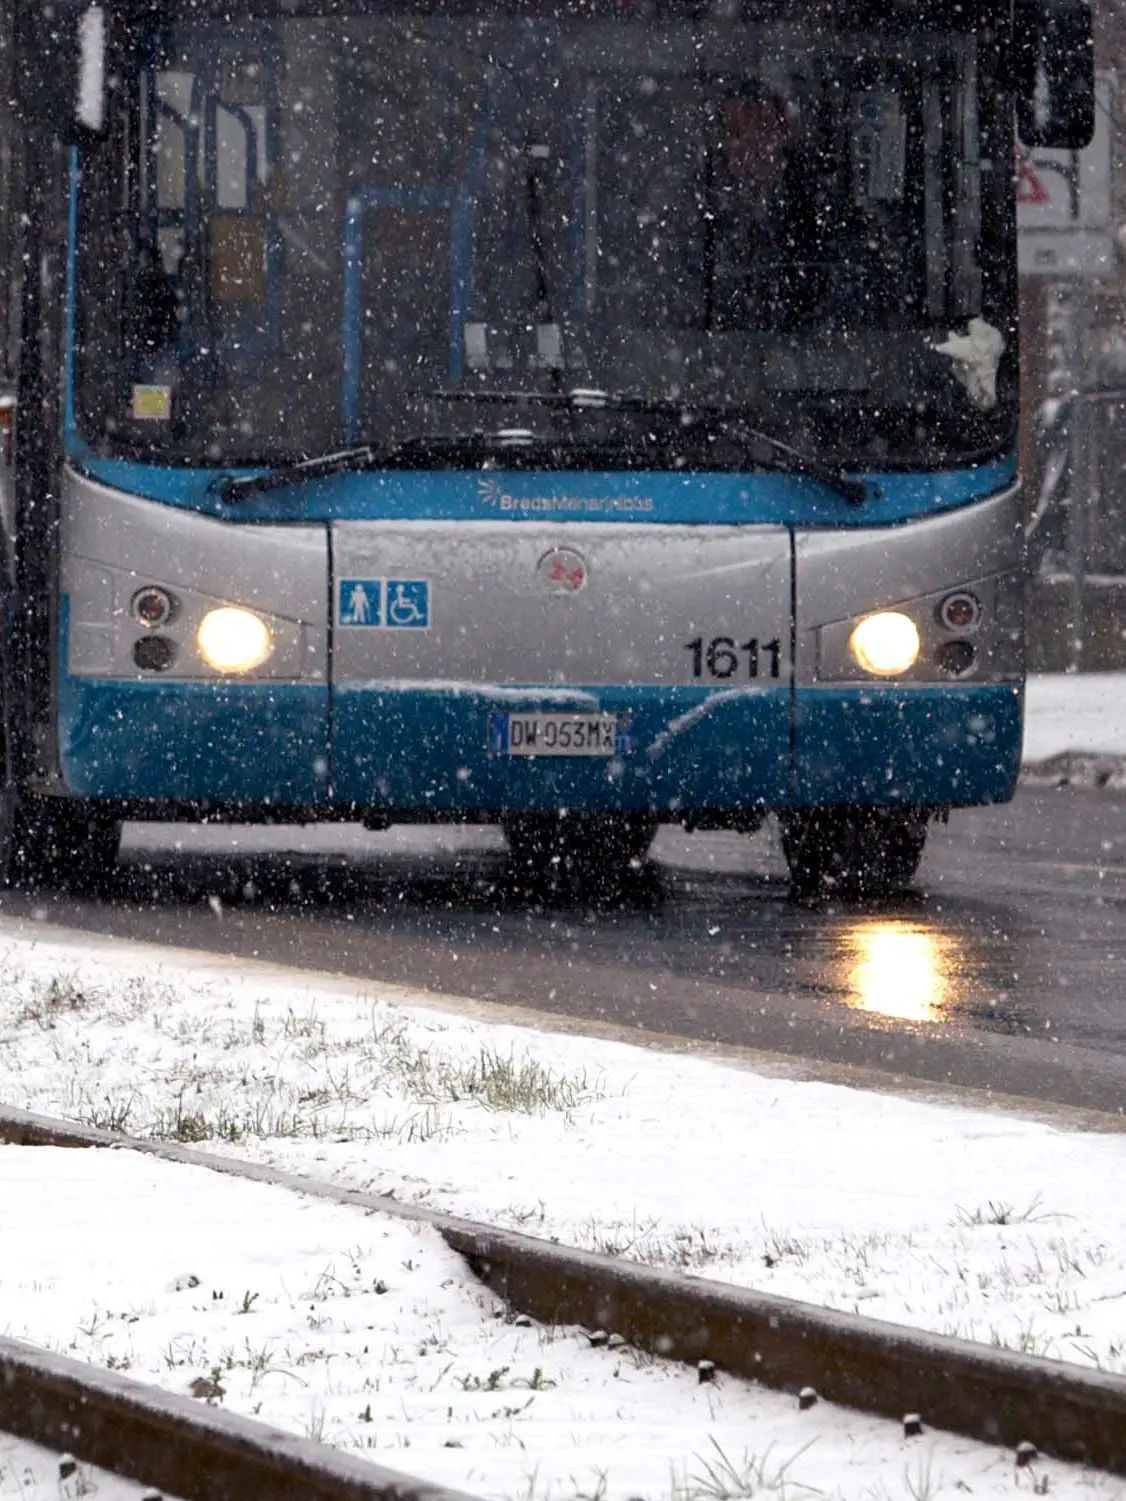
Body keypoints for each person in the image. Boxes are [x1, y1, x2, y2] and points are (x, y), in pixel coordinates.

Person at [708, 89, 825, 328]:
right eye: (737, 133)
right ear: (723, 144)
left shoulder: (819, 206)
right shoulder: (701, 212)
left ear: (783, 134)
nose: (750, 144)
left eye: (761, 128)